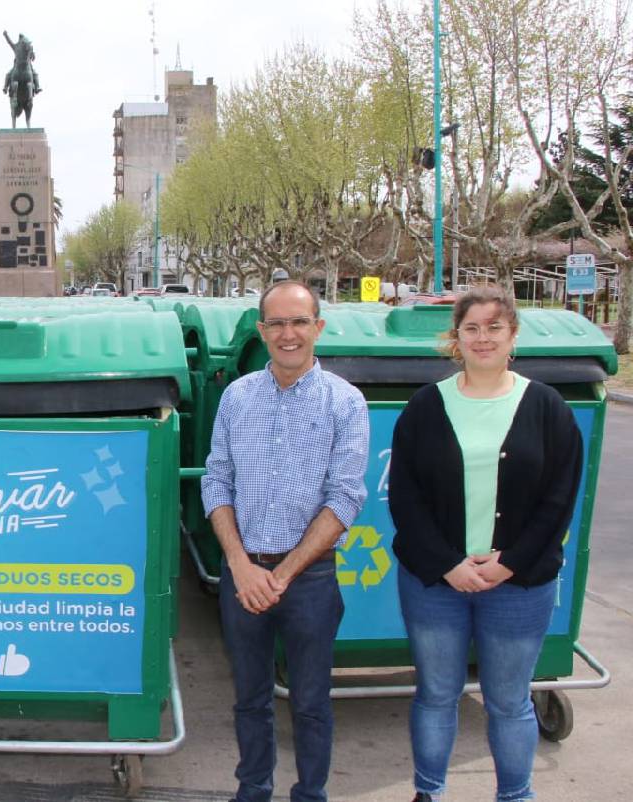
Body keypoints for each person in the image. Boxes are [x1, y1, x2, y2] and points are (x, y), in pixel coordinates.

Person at [389, 286, 583, 802]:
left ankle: (514, 794)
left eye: (494, 327)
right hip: (436, 583)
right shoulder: (426, 407)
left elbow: (558, 500)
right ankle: (428, 791)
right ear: (456, 338)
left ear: (512, 335)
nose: (482, 338)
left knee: (509, 700)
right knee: (436, 695)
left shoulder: (547, 408)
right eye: (471, 328)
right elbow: (406, 501)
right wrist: (449, 564)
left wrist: (510, 564)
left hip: (519, 586)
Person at [201, 280, 369, 802]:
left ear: (318, 328)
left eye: (299, 322)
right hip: (242, 575)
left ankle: (310, 793)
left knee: (312, 701)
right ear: (261, 331)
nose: (288, 333)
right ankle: (252, 789)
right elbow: (216, 480)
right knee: (249, 698)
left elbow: (344, 499)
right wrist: (240, 565)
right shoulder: (236, 397)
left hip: (311, 580)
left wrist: (285, 572)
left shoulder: (346, 402)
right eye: (276, 323)